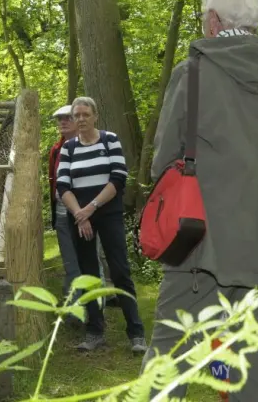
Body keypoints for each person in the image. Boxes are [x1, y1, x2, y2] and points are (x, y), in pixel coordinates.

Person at [142, 0, 258, 401]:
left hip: (203, 239)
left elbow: (165, 159)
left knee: (169, 359)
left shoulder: (193, 72)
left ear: (212, 19)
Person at [55, 97, 147, 353]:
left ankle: (136, 334)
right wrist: (79, 215)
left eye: (86, 114)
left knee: (119, 271)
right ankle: (94, 332)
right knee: (87, 276)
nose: (81, 119)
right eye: (77, 115)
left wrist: (91, 208)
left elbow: (118, 177)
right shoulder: (68, 148)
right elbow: (63, 186)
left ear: (95, 116)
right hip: (79, 219)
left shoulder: (110, 140)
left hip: (107, 214)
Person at [47, 105, 111, 311]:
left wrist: (88, 210)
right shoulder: (56, 149)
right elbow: (55, 182)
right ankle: (75, 309)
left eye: (67, 118)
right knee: (70, 263)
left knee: (91, 260)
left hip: (88, 210)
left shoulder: (93, 147)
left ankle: (96, 307)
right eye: (60, 119)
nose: (62, 122)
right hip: (62, 211)